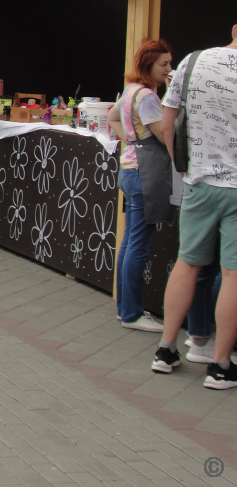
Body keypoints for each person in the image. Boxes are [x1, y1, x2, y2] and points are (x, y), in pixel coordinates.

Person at [151, 25, 237, 387]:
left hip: (198, 182)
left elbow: (168, 124)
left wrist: (182, 166)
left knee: (187, 263)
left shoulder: (193, 61)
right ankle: (220, 366)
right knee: (233, 275)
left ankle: (166, 349)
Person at [106, 40, 173, 333]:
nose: (169, 69)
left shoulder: (132, 89)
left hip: (130, 167)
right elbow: (163, 134)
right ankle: (131, 312)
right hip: (144, 172)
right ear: (150, 66)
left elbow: (112, 116)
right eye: (164, 64)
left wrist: (131, 140)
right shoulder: (146, 96)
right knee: (138, 245)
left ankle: (126, 309)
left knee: (130, 243)